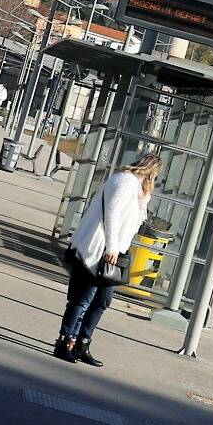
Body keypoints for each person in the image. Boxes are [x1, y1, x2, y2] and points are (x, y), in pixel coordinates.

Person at [56, 150, 161, 365]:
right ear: (151, 172)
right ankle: (65, 341)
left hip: (115, 251)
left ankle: (82, 342)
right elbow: (111, 213)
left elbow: (136, 222)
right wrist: (112, 247)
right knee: (83, 299)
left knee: (102, 301)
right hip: (99, 249)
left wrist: (144, 198)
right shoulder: (125, 181)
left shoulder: (135, 187)